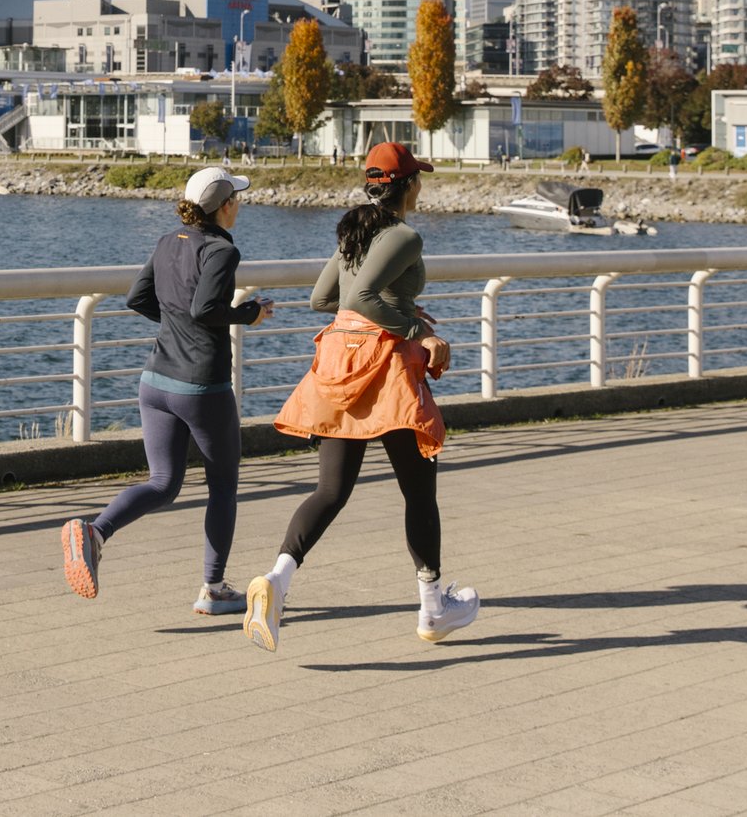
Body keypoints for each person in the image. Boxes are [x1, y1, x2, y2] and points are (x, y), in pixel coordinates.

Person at [242, 141, 481, 652]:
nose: (421, 184)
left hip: (340, 362)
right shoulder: (403, 235)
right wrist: (417, 326)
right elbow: (360, 298)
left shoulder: (355, 232)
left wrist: (392, 314)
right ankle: (434, 607)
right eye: (418, 177)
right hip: (386, 369)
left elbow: (323, 300)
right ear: (407, 185)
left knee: (331, 491)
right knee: (419, 491)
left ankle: (276, 582)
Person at [61, 166, 271, 615]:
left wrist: (175, 325)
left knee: (163, 483)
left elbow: (138, 298)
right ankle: (213, 589)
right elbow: (206, 309)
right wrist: (249, 312)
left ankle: (95, 533)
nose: (240, 206)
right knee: (223, 488)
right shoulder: (220, 251)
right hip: (201, 387)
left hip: (155, 381)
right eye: (237, 198)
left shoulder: (166, 241)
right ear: (225, 206)